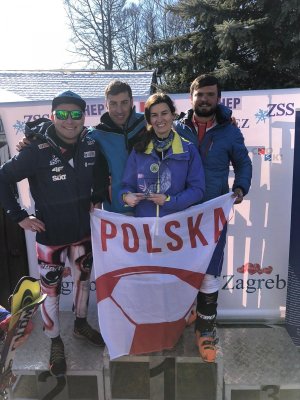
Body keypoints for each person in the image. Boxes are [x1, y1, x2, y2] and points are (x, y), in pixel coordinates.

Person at [0, 91, 110, 377]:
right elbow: (2, 177)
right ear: (53, 116)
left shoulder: (89, 142)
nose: (69, 121)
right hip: (51, 238)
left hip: (83, 233)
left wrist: (97, 195)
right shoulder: (35, 149)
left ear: (83, 117)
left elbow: (100, 171)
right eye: (62, 114)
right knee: (50, 292)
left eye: (75, 114)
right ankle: (54, 341)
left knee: (83, 282)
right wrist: (19, 217)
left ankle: (81, 324)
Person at [175, 74, 252, 362]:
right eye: (200, 94)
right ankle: (190, 312)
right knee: (182, 266)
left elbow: (243, 161)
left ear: (217, 98)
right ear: (191, 97)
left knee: (209, 269)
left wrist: (241, 187)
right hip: (181, 214)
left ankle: (206, 328)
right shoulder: (177, 128)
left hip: (213, 212)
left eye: (210, 95)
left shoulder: (229, 131)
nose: (205, 99)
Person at [120, 92, 205, 218]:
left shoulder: (188, 150)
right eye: (154, 115)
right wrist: (126, 196)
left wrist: (169, 201)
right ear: (149, 120)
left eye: (164, 113)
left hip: (176, 226)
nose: (159, 119)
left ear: (172, 115)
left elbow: (197, 190)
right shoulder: (139, 150)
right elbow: (126, 185)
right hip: (145, 227)